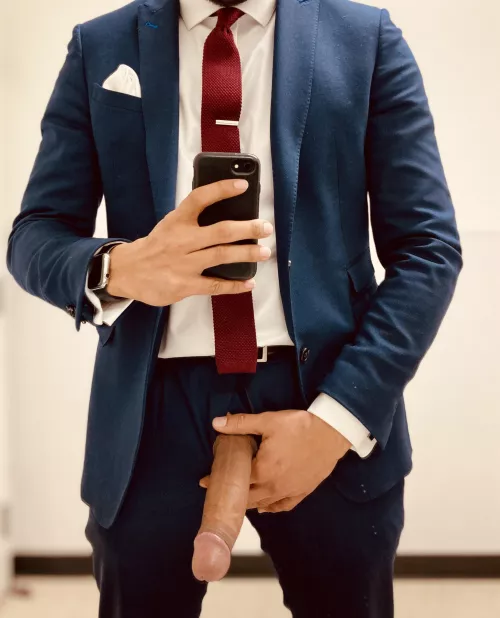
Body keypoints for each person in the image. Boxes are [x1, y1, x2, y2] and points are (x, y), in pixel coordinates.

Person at [7, 0, 462, 616]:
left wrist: (337, 422)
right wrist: (122, 267)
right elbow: (34, 235)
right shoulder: (100, 44)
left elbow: (429, 249)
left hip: (326, 390)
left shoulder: (366, 38)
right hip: (149, 411)